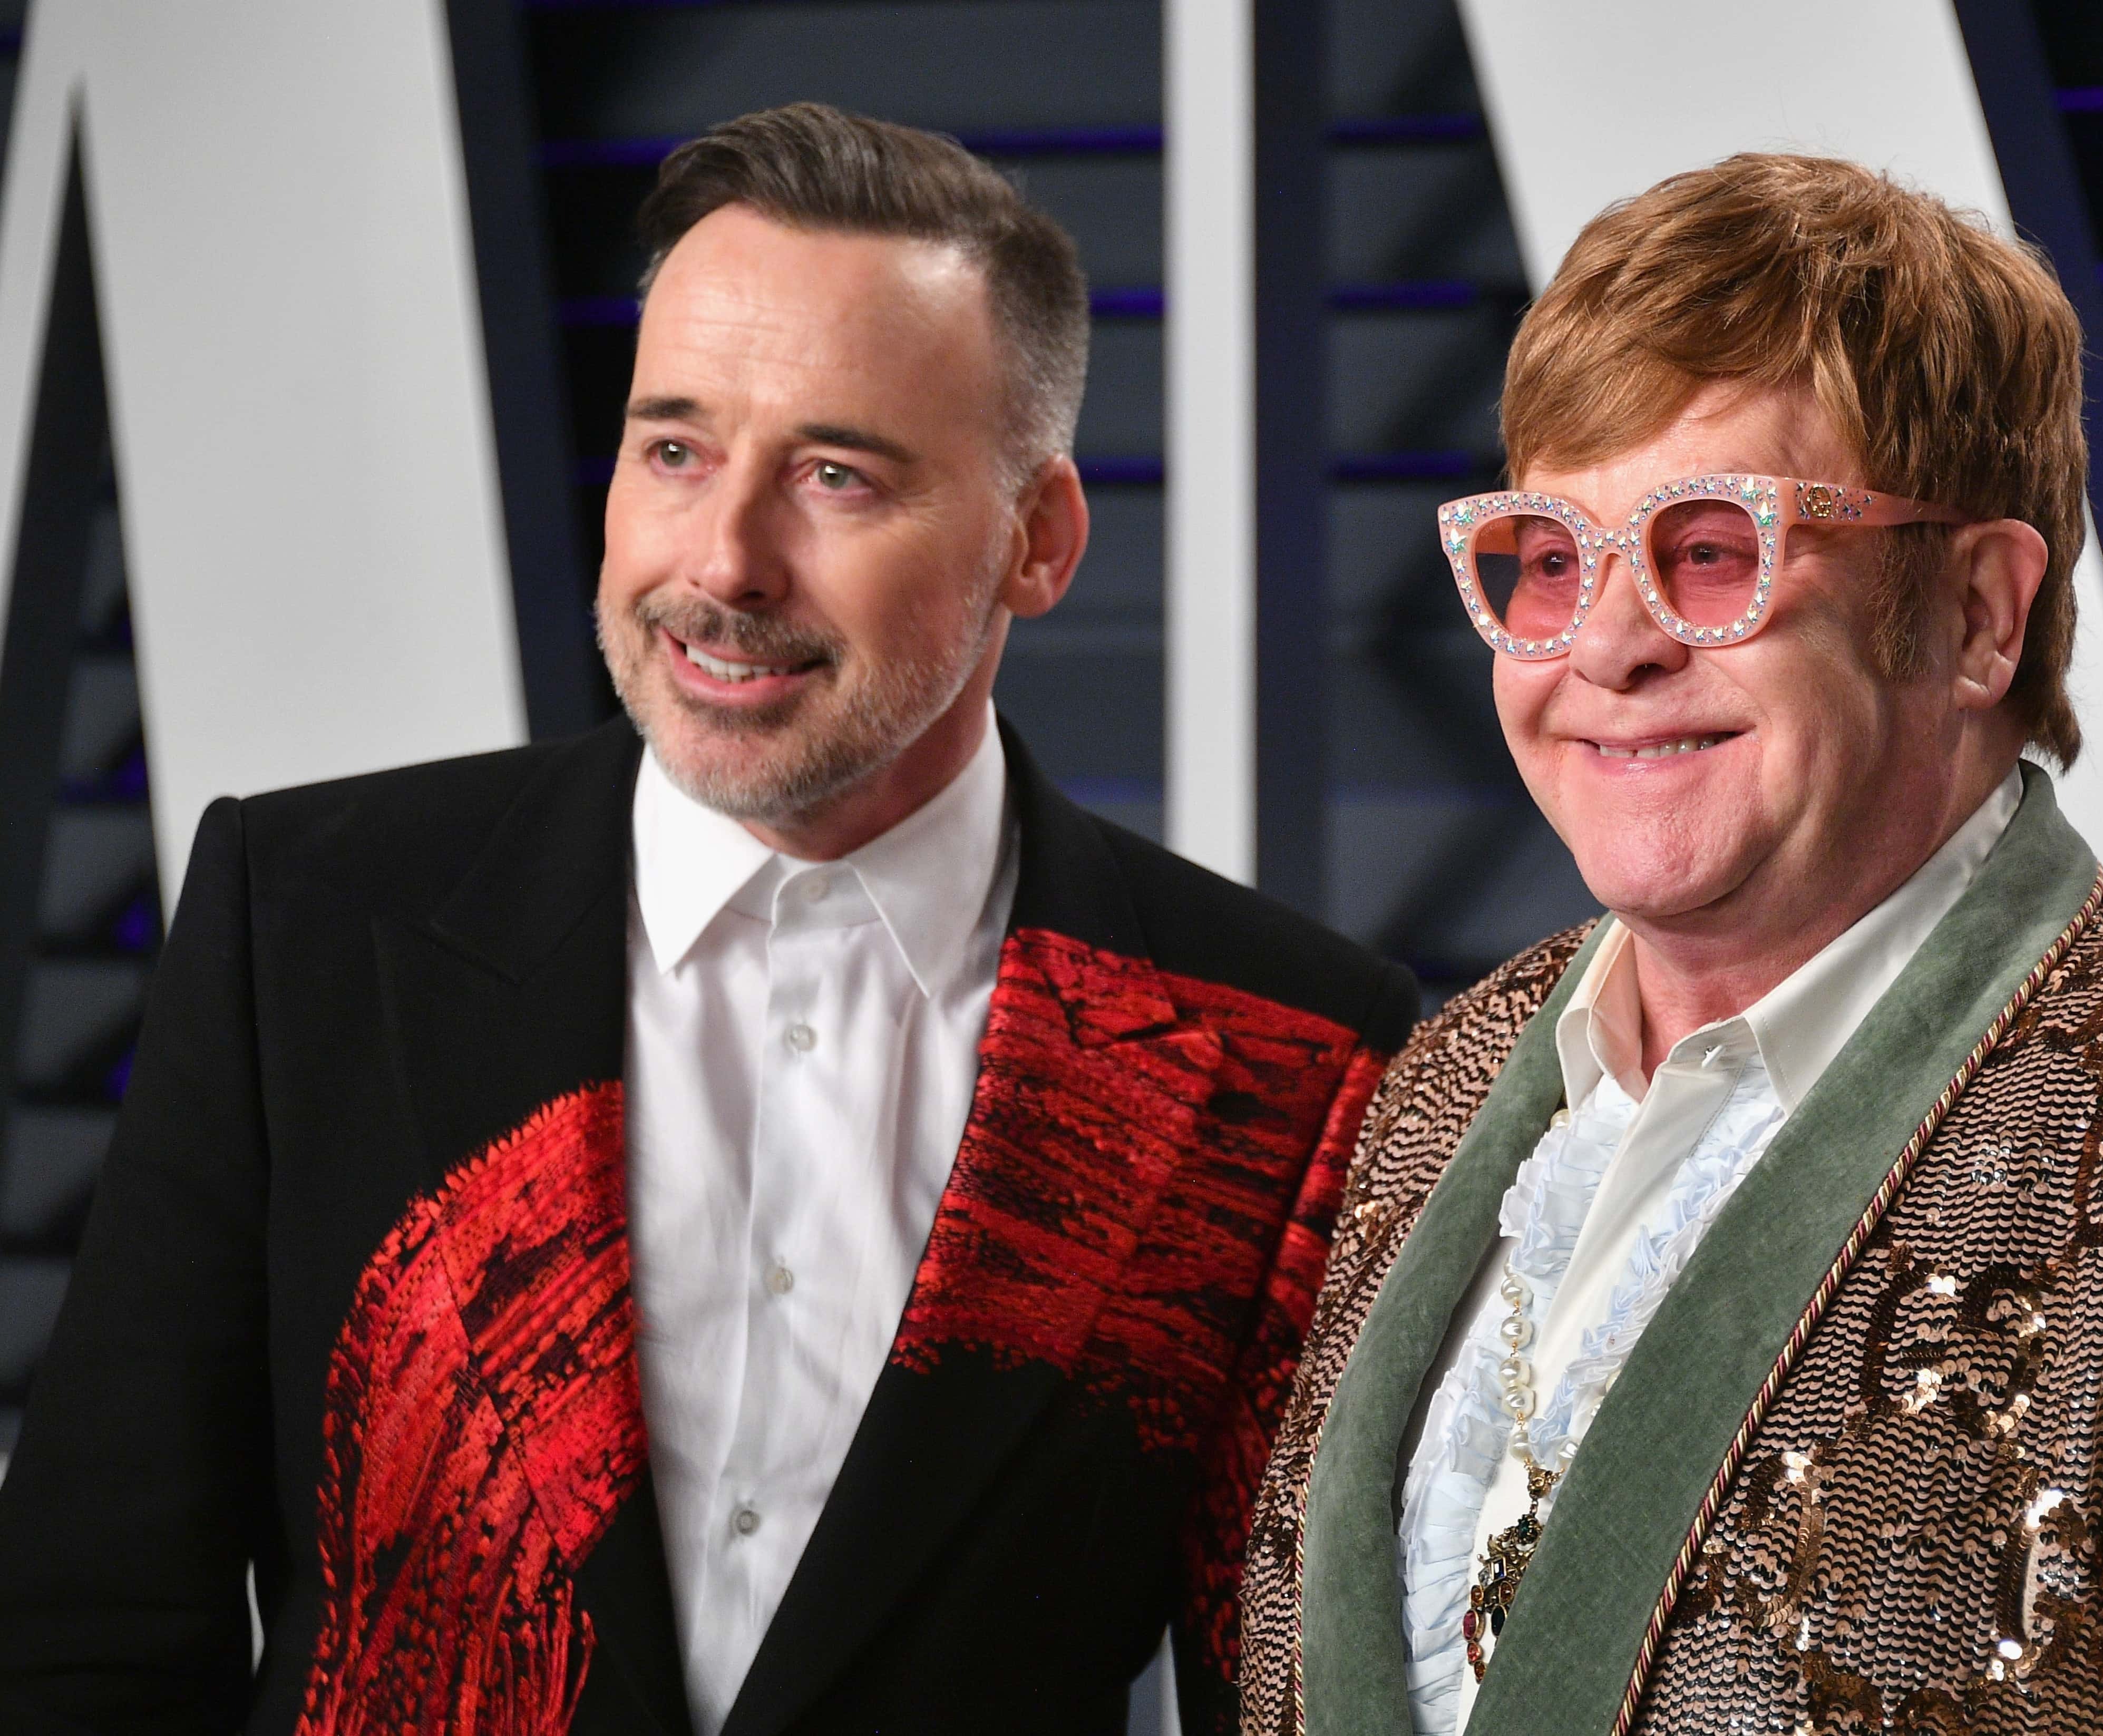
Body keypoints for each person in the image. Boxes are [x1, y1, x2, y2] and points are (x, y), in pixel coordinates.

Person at [0, 104, 1416, 1736]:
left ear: (1039, 539)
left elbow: (1307, 1707)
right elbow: (90, 1637)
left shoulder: (1288, 1054)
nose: (724, 562)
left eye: (835, 475)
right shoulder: (307, 924)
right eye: (675, 449)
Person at [1237, 154, 2103, 1735]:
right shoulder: (1450, 1079)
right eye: (1550, 556)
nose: (1604, 646)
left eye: (1711, 550)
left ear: (1981, 615)